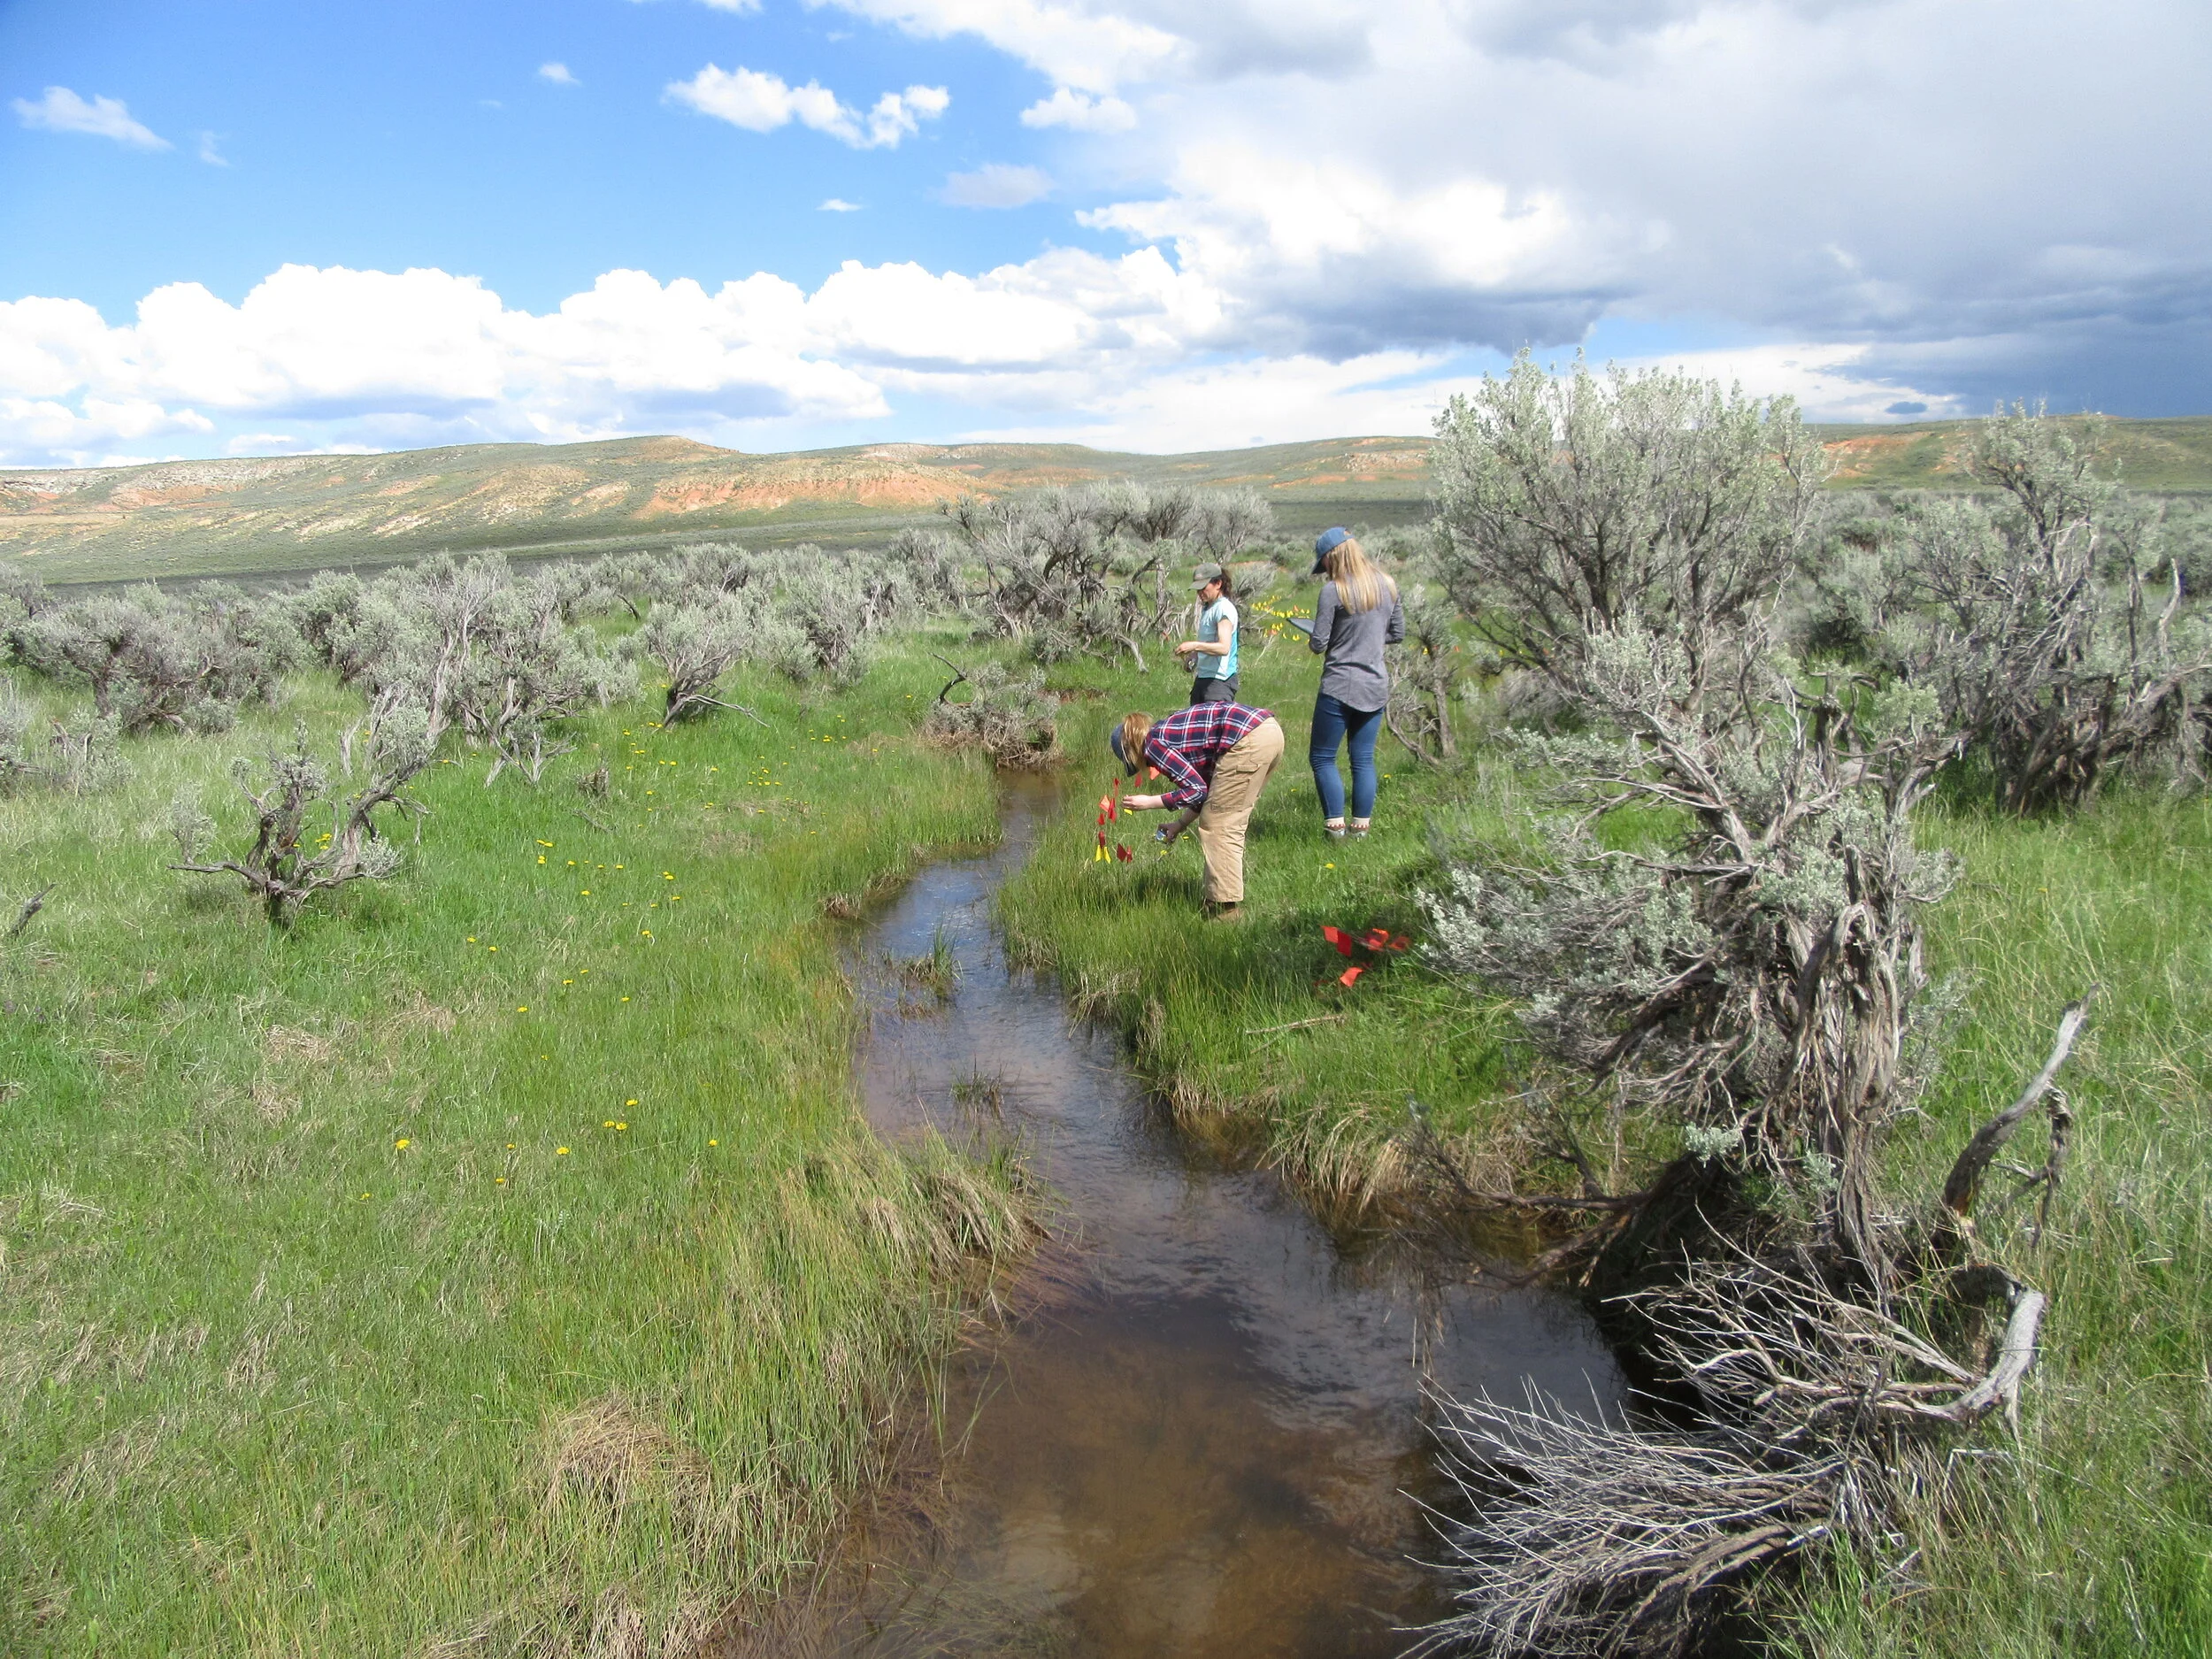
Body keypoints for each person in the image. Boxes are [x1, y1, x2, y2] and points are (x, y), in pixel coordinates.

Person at [1110, 699, 1284, 919]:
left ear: (1133, 751)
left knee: (1219, 826)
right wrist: (1180, 824)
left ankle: (1224, 911)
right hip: (1268, 731)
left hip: (1247, 738)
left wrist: (1149, 802)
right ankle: (1218, 900)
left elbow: (1196, 791)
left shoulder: (1153, 744)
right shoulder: (1165, 733)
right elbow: (1209, 790)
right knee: (1227, 819)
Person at [1305, 527, 1402, 839]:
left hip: (1339, 686)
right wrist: (1367, 639)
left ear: (1332, 558)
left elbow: (1319, 643)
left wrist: (1340, 639)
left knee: (1322, 757)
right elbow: (1397, 633)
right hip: (1375, 685)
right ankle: (1361, 830)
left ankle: (1335, 829)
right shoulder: (1387, 584)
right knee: (1362, 759)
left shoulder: (1334, 591)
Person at [1174, 562, 1240, 704]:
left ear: (1218, 584)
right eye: (1197, 589)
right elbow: (1209, 642)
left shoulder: (1223, 609)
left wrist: (1195, 646)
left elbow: (1224, 647)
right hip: (1204, 678)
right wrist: (1194, 657)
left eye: (1203, 588)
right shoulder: (1209, 608)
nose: (1200, 593)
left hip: (1220, 681)